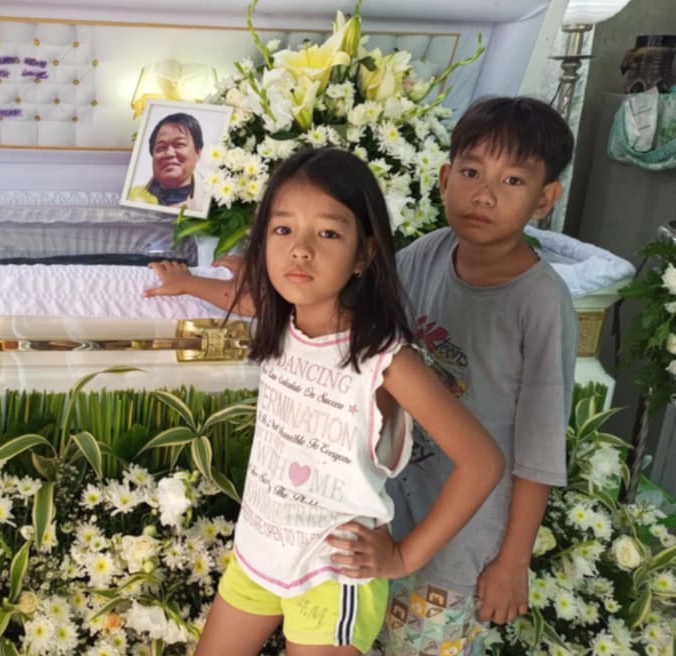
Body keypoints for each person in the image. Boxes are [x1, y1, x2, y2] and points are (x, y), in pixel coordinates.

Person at [145, 147, 504, 655]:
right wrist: (186, 283)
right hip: (259, 553)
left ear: (365, 254)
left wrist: (402, 557)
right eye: (283, 230)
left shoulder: (384, 359)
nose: (300, 250)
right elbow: (245, 300)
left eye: (329, 233)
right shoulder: (283, 322)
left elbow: (481, 461)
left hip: (332, 577)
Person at [376, 96, 578, 656]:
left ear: (545, 200)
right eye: (471, 172)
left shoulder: (540, 304)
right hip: (392, 515)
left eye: (513, 180)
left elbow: (539, 449)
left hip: (461, 546)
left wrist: (513, 562)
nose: (484, 194)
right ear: (444, 179)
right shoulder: (424, 256)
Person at [127, 112, 205, 211]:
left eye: (179, 144)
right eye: (161, 147)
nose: (169, 153)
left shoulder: (212, 199)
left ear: (197, 153)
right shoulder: (131, 197)